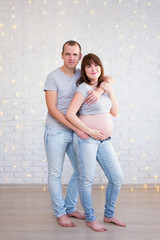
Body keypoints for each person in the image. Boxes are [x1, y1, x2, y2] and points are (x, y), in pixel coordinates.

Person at [44, 41, 113, 227]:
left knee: (80, 171)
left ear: (80, 56)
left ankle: (70, 207)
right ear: (62, 55)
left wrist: (100, 89)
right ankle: (60, 212)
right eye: (68, 54)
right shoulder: (53, 77)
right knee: (55, 173)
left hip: (76, 131)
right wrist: (77, 128)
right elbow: (52, 109)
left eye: (75, 54)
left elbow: (109, 79)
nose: (71, 58)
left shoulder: (81, 74)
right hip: (57, 131)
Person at [66, 53, 126, 232]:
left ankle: (109, 214)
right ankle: (90, 218)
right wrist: (89, 131)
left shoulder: (104, 87)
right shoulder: (83, 88)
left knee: (117, 178)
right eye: (89, 66)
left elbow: (114, 112)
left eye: (96, 65)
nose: (93, 69)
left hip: (105, 141)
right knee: (87, 179)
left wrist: (109, 91)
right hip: (87, 140)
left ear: (101, 67)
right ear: (84, 70)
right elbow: (70, 114)